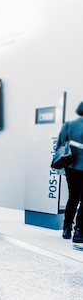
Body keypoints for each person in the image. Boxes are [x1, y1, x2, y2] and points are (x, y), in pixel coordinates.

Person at [58, 101, 83, 242]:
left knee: (72, 197)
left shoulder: (68, 125)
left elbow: (60, 146)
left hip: (71, 167)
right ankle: (79, 231)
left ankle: (66, 228)